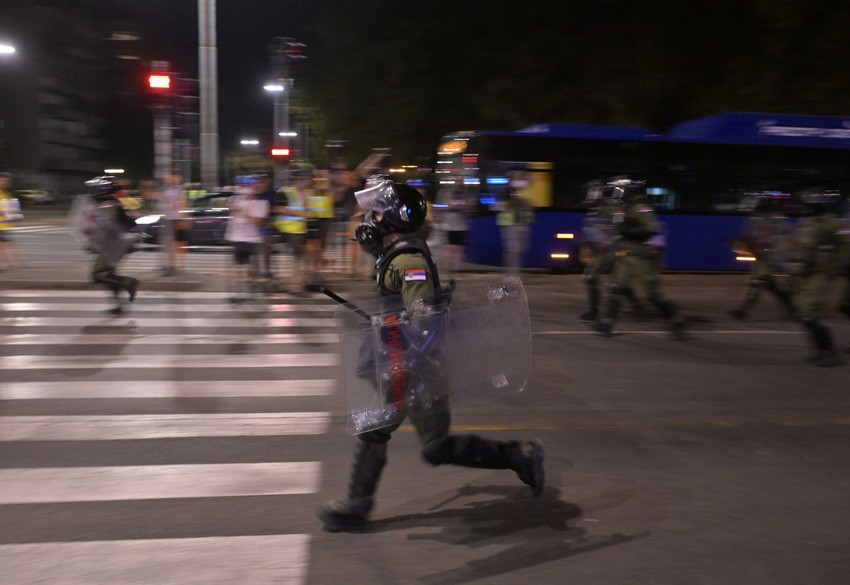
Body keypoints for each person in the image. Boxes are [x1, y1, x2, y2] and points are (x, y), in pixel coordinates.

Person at [317, 178, 545, 533]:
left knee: (377, 431)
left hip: (416, 364)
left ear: (392, 219)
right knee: (434, 448)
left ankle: (357, 506)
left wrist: (406, 360)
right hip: (406, 359)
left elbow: (424, 320)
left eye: (375, 214)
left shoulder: (409, 261)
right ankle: (519, 456)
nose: (369, 220)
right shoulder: (395, 255)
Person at [591, 178, 686, 340]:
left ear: (633, 192)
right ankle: (606, 323)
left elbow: (652, 229)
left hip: (642, 256)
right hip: (625, 254)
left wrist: (630, 231)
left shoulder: (642, 209)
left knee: (652, 295)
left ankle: (676, 319)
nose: (621, 194)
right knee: (616, 288)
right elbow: (617, 228)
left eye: (624, 191)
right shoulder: (624, 209)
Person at [785, 188, 850, 367]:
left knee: (808, 313)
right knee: (802, 312)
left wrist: (835, 267)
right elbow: (796, 246)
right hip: (803, 273)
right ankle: (821, 351)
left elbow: (846, 246)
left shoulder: (834, 223)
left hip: (819, 274)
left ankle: (831, 352)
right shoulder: (807, 222)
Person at [577, 181, 644, 322]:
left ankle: (596, 312)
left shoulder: (612, 208)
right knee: (613, 281)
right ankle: (637, 307)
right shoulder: (594, 209)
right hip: (600, 252)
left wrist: (612, 245)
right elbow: (590, 231)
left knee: (595, 278)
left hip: (611, 251)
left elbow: (619, 229)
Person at [728, 193, 796, 320]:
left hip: (768, 256)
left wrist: (765, 249)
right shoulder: (757, 217)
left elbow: (778, 240)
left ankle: (743, 310)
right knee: (768, 284)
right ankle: (792, 308)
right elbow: (749, 234)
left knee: (757, 281)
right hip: (762, 255)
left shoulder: (776, 219)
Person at [80, 176, 138, 315]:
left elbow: (106, 228)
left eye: (95, 189)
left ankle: (129, 282)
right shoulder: (113, 204)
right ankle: (118, 306)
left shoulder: (108, 206)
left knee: (97, 275)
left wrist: (92, 240)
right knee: (109, 275)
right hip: (117, 245)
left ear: (102, 190)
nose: (93, 192)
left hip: (112, 247)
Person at [224, 175, 269, 302]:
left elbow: (258, 222)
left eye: (248, 186)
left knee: (252, 267)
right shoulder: (235, 199)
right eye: (243, 186)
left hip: (253, 239)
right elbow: (228, 206)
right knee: (237, 266)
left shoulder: (261, 203)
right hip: (237, 238)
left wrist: (244, 211)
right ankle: (237, 292)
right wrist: (233, 205)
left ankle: (251, 290)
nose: (245, 189)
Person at [274, 167, 314, 294]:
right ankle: (295, 286)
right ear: (297, 179)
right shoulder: (285, 192)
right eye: (304, 178)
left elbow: (309, 213)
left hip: (300, 230)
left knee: (300, 258)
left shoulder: (305, 193)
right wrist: (300, 213)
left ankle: (297, 283)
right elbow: (276, 209)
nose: (307, 181)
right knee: (296, 258)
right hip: (288, 230)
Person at [497, 171, 535, 276]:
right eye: (516, 177)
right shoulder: (507, 192)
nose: (519, 179)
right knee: (512, 252)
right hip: (510, 225)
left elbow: (530, 204)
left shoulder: (526, 190)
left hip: (523, 224)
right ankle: (512, 274)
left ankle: (515, 273)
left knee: (520, 250)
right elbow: (501, 206)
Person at [435, 176, 473, 275]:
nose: (459, 183)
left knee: (459, 249)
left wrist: (463, 206)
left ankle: (456, 270)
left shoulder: (466, 194)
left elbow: (470, 207)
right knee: (449, 248)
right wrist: (449, 206)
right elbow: (438, 206)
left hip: (462, 225)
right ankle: (448, 269)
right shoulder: (444, 193)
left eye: (461, 180)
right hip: (448, 225)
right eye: (457, 180)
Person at [157, 173, 187, 276]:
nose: (170, 179)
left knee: (174, 244)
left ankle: (172, 266)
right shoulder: (164, 190)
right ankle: (169, 265)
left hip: (175, 218)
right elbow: (161, 204)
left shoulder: (178, 190)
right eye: (168, 178)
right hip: (167, 219)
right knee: (168, 243)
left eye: (172, 178)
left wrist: (183, 217)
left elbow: (182, 204)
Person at [0, 172, 23, 269]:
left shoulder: (6, 194)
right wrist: (5, 212)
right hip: (1, 226)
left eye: (7, 181)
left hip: (5, 226)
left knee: (6, 244)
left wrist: (15, 213)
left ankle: (17, 265)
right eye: (2, 180)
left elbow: (12, 209)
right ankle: (18, 265)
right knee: (6, 244)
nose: (5, 183)